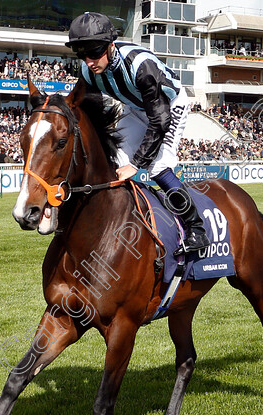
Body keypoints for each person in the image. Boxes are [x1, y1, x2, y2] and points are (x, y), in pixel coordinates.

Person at [65, 11, 210, 255]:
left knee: (157, 167)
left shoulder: (141, 66)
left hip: (169, 107)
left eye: (94, 53)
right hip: (135, 109)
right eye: (82, 54)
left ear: (110, 46)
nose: (89, 61)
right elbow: (90, 115)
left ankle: (196, 229)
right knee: (113, 166)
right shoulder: (88, 71)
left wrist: (137, 164)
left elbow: (160, 120)